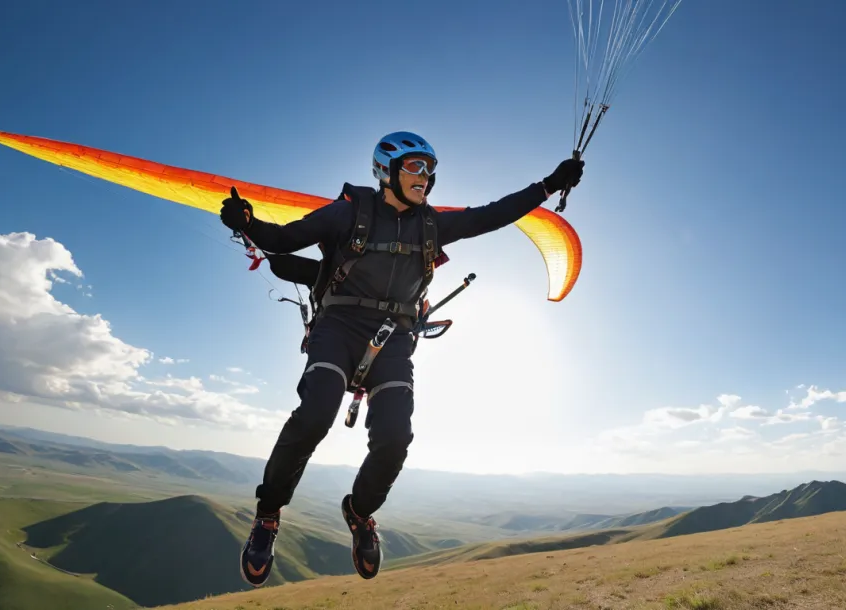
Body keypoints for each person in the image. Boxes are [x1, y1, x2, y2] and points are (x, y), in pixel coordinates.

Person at [220, 131, 583, 585]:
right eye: (414, 167)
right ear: (386, 171)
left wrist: (549, 184)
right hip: (339, 327)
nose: (425, 177)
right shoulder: (346, 213)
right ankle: (269, 514)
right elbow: (284, 239)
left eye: (429, 170)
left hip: (394, 337)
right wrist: (246, 222)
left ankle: (359, 512)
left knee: (395, 436)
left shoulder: (433, 224)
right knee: (314, 415)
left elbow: (494, 215)